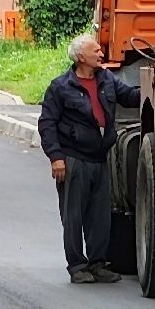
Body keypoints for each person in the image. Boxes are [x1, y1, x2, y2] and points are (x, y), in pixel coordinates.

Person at [38, 33, 140, 284]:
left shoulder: (107, 80)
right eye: (96, 51)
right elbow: (47, 124)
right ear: (81, 56)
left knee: (100, 215)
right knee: (73, 215)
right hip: (73, 159)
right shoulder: (61, 87)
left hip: (99, 158)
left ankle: (97, 264)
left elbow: (131, 97)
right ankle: (77, 266)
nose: (101, 54)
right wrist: (56, 158)